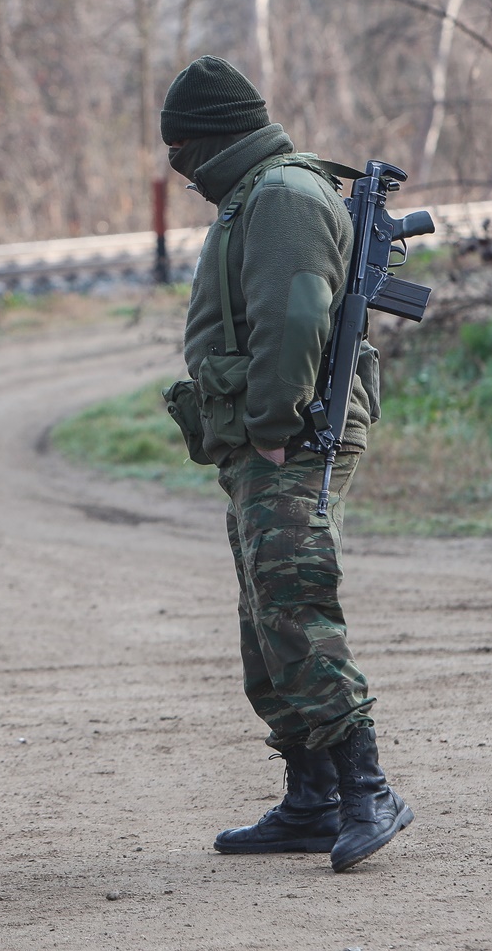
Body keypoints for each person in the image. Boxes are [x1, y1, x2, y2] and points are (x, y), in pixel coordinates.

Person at [162, 55, 412, 873]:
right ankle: (312, 797)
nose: (180, 170)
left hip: (293, 439)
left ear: (207, 140)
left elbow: (297, 314)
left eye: (182, 151)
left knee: (295, 605)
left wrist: (271, 426)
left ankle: (368, 789)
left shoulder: (281, 197)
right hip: (268, 441)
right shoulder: (260, 193)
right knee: (264, 615)